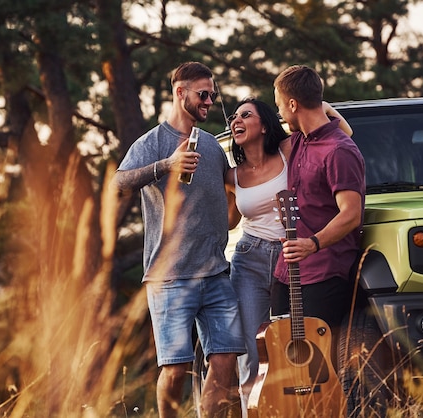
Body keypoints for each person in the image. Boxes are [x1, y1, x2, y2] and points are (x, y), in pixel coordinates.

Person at [113, 62, 245, 418]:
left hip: (217, 274)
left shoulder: (215, 148)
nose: (209, 101)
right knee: (174, 369)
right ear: (180, 92)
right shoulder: (151, 143)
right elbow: (118, 184)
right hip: (170, 277)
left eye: (213, 96)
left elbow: (231, 204)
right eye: (203, 94)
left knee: (226, 359)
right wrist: (165, 166)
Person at [225, 97, 353, 416]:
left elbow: (345, 132)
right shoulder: (232, 176)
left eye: (245, 115)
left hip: (296, 257)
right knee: (253, 354)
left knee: (298, 346)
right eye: (233, 117)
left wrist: (314, 100)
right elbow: (229, 221)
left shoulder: (289, 149)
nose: (235, 121)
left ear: (266, 124)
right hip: (250, 259)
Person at [272, 64, 365, 362]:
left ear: (293, 104)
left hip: (324, 272)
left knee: (321, 364)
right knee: (282, 360)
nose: (280, 116)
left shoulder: (339, 150)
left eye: (280, 107)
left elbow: (351, 214)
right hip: (286, 273)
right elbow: (323, 109)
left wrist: (312, 244)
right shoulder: (299, 141)